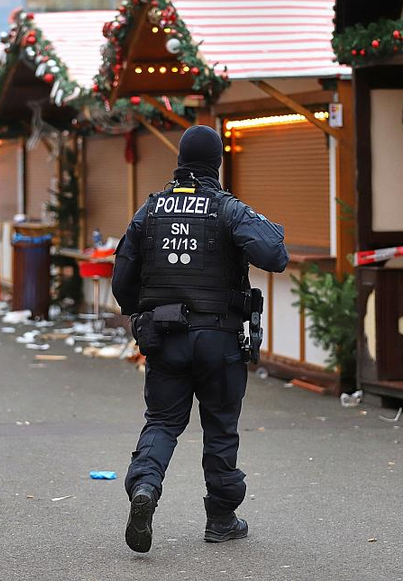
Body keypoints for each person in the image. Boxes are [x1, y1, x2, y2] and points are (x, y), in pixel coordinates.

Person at [112, 125, 289, 553]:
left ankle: (146, 489)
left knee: (163, 422)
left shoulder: (150, 210)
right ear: (217, 163)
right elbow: (275, 256)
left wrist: (147, 312)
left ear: (180, 160)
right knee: (221, 428)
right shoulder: (227, 209)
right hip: (219, 339)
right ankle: (222, 520)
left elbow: (122, 281)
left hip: (164, 336)